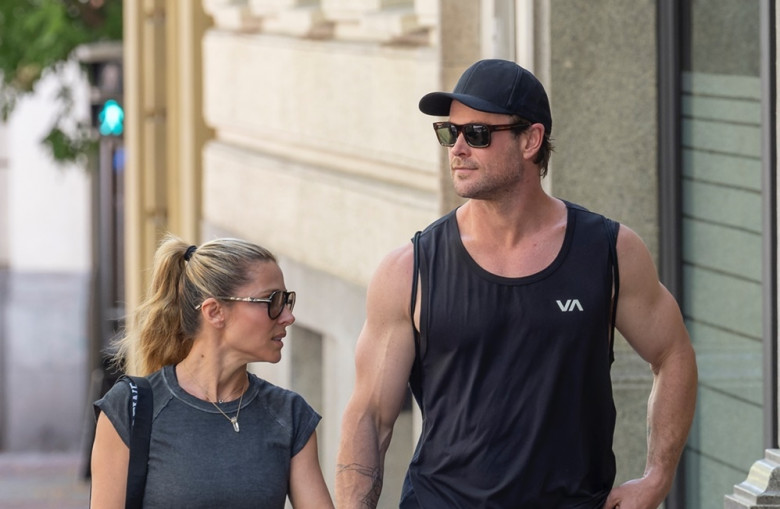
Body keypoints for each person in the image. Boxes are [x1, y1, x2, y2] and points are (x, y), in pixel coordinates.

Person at [335, 59, 698, 508]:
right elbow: (370, 415)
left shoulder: (609, 252)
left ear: (531, 140)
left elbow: (673, 354)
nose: (458, 148)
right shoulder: (409, 269)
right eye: (450, 132)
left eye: (479, 134)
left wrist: (656, 478)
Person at [90, 235, 334, 509]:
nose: (288, 316)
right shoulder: (130, 408)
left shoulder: (290, 415)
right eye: (272, 301)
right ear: (215, 311)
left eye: (287, 301)